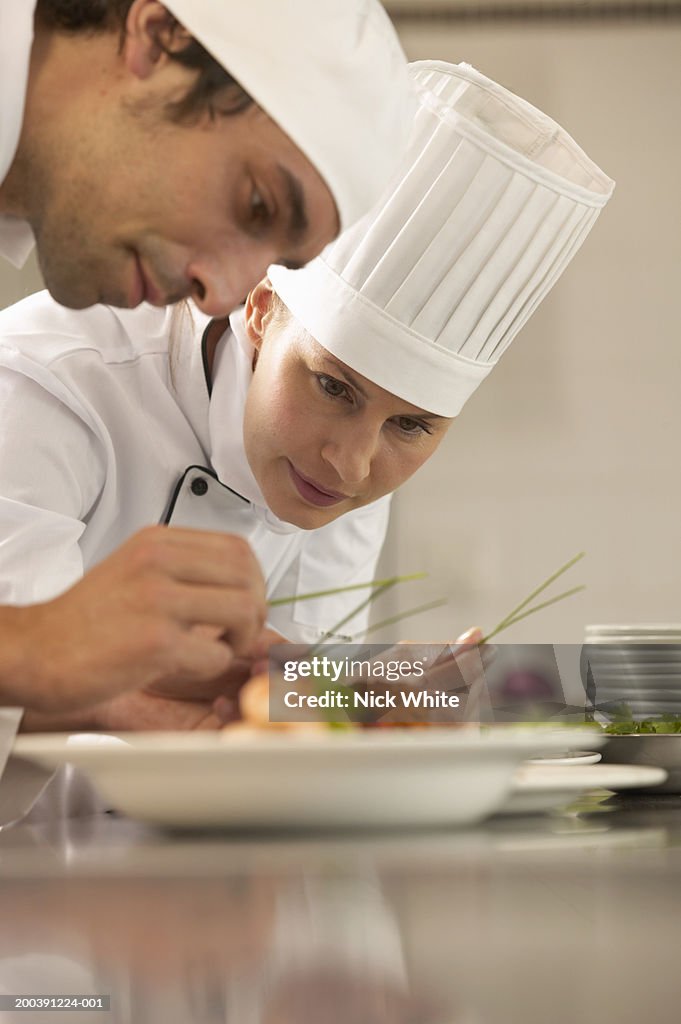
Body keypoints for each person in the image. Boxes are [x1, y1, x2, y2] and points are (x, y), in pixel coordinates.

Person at [0, 62, 614, 737]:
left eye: (409, 425)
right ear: (261, 311)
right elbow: (19, 678)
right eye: (331, 387)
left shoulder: (331, 485)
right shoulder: (45, 383)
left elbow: (275, 717)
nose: (350, 464)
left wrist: (368, 701)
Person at [0, 0, 413, 764]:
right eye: (254, 203)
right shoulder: (47, 375)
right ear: (160, 37)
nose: (218, 295)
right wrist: (28, 649)